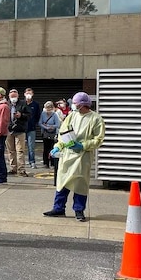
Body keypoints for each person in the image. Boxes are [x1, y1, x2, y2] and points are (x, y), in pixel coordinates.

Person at [43, 92, 106, 222]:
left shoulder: (96, 119)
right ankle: (58, 208)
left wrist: (83, 145)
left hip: (83, 156)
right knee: (63, 181)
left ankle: (79, 210)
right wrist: (58, 146)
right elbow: (63, 133)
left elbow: (98, 139)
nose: (73, 105)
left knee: (80, 183)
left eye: (76, 103)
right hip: (67, 154)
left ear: (82, 105)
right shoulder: (72, 115)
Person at [5, 88, 30, 177]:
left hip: (20, 130)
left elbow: (28, 115)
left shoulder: (23, 103)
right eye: (12, 96)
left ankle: (21, 169)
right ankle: (13, 168)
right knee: (11, 150)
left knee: (20, 150)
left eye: (15, 96)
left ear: (18, 96)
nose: (13, 98)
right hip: (9, 130)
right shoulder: (6, 104)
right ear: (9, 96)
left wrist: (21, 115)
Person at [39, 101, 61, 169]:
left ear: (52, 108)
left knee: (52, 148)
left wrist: (51, 126)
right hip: (45, 132)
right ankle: (45, 163)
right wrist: (46, 127)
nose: (48, 110)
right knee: (45, 148)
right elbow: (40, 123)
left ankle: (52, 163)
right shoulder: (43, 114)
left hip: (52, 133)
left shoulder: (54, 115)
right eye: (47, 108)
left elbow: (58, 124)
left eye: (49, 108)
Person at [24, 88, 41, 169]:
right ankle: (21, 162)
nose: (28, 95)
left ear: (33, 94)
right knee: (19, 147)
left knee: (31, 147)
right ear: (24, 94)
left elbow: (38, 116)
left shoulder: (35, 104)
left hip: (31, 128)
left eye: (30, 93)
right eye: (27, 93)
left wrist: (34, 123)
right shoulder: (22, 103)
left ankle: (32, 162)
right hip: (22, 129)